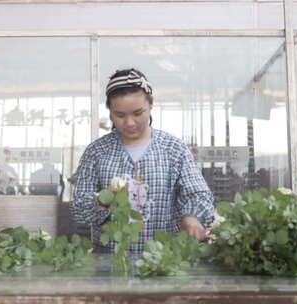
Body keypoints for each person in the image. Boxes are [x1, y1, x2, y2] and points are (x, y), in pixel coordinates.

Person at [70, 68, 215, 253]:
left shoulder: (174, 150)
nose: (129, 122)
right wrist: (104, 200)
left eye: (138, 113)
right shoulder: (97, 152)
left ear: (151, 105)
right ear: (110, 112)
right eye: (120, 115)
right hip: (111, 262)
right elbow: (79, 209)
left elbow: (198, 194)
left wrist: (191, 218)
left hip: (162, 261)